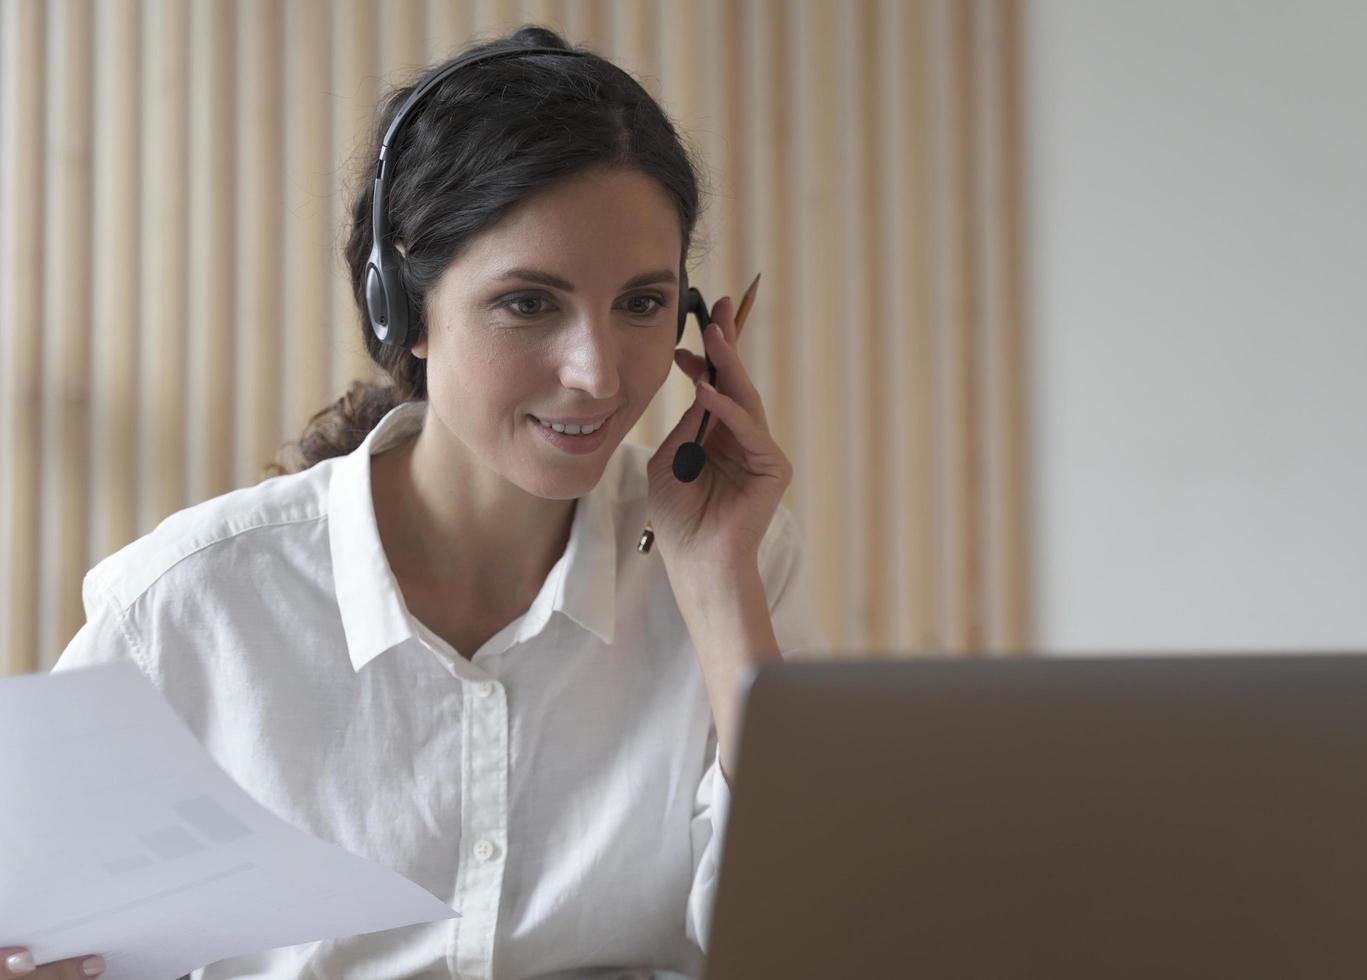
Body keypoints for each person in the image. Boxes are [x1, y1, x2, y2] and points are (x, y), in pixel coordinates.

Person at [9, 24, 827, 980]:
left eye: (641, 304)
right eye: (530, 303)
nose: (597, 374)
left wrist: (720, 589)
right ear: (402, 307)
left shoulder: (739, 559)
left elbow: (810, 939)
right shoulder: (188, 607)